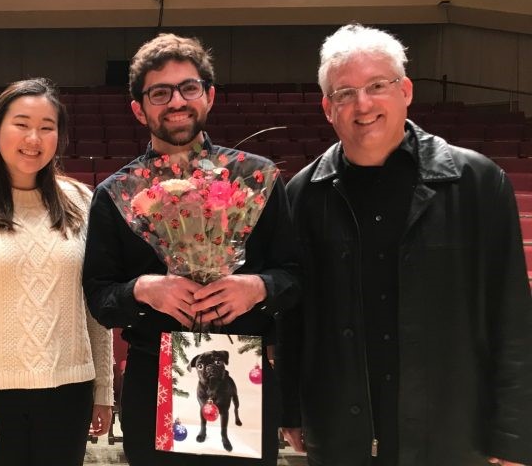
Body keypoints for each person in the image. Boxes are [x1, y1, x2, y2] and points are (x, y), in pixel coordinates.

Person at [279, 23, 532, 466]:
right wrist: (291, 410)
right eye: (344, 93)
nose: (363, 104)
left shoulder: (477, 182)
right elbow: (294, 321)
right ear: (327, 107)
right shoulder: (303, 194)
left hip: (454, 432)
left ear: (406, 90)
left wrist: (513, 434)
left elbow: (511, 316)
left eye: (377, 85)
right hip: (342, 435)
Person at [82, 33, 300, 466]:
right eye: (160, 93)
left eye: (189, 88)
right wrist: (143, 290)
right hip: (153, 375)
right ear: (138, 108)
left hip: (245, 371)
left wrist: (257, 287)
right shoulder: (115, 194)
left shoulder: (255, 180)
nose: (177, 102)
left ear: (210, 96)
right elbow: (99, 298)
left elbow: (296, 275)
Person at [0, 78, 114, 466]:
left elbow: (94, 307)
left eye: (47, 127)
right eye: (21, 123)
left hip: (70, 392)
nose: (34, 137)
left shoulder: (81, 201)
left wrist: (103, 389)